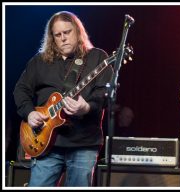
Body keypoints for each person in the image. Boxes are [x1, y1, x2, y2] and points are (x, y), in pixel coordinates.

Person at [13, 11, 114, 186]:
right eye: (57, 35)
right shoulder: (40, 61)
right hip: (45, 143)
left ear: (77, 31)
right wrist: (29, 113)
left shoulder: (97, 57)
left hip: (83, 142)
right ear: (52, 38)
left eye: (67, 32)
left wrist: (87, 108)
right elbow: (21, 90)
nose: (63, 38)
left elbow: (104, 94)